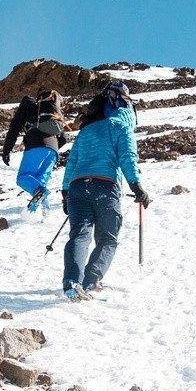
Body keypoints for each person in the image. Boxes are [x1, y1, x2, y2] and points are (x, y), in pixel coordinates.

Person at [59, 81, 151, 299]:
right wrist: (136, 187)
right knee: (107, 239)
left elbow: (71, 163)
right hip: (105, 187)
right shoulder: (121, 128)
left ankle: (72, 283)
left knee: (79, 236)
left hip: (77, 188)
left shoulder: (86, 131)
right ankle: (90, 282)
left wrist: (65, 193)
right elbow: (127, 158)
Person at [2, 91, 70, 211]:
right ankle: (43, 215)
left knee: (23, 178)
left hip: (36, 145)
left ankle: (39, 208)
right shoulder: (54, 113)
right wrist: (51, 147)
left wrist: (7, 150)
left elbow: (14, 127)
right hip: (53, 152)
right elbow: (64, 138)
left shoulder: (28, 103)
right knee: (40, 185)